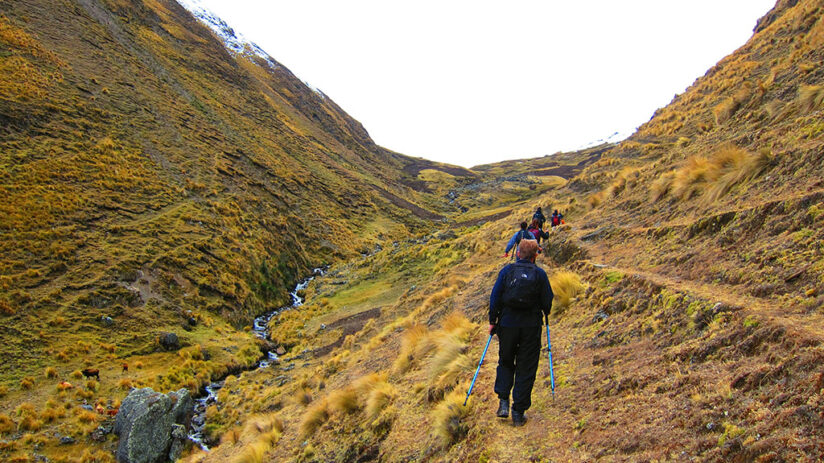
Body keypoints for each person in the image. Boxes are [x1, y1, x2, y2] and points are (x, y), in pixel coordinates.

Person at [488, 239, 553, 426]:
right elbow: (547, 301)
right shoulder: (540, 274)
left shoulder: (507, 271)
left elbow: (495, 297)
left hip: (507, 324)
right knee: (526, 367)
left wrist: (493, 321)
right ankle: (518, 412)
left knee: (506, 360)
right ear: (535, 257)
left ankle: (503, 402)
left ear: (518, 253)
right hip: (531, 327)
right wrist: (544, 311)